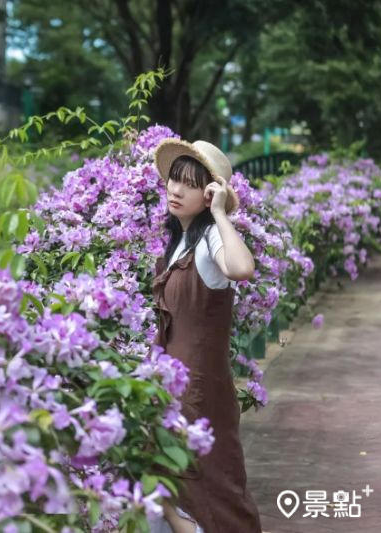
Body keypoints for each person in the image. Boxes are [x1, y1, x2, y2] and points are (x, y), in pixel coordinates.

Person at [148, 139, 263, 533]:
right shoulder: (178, 241)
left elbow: (242, 268)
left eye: (191, 184)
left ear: (210, 193)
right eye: (174, 180)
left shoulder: (210, 236)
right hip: (172, 383)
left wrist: (219, 213)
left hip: (198, 390)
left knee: (210, 485)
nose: (177, 190)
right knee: (166, 480)